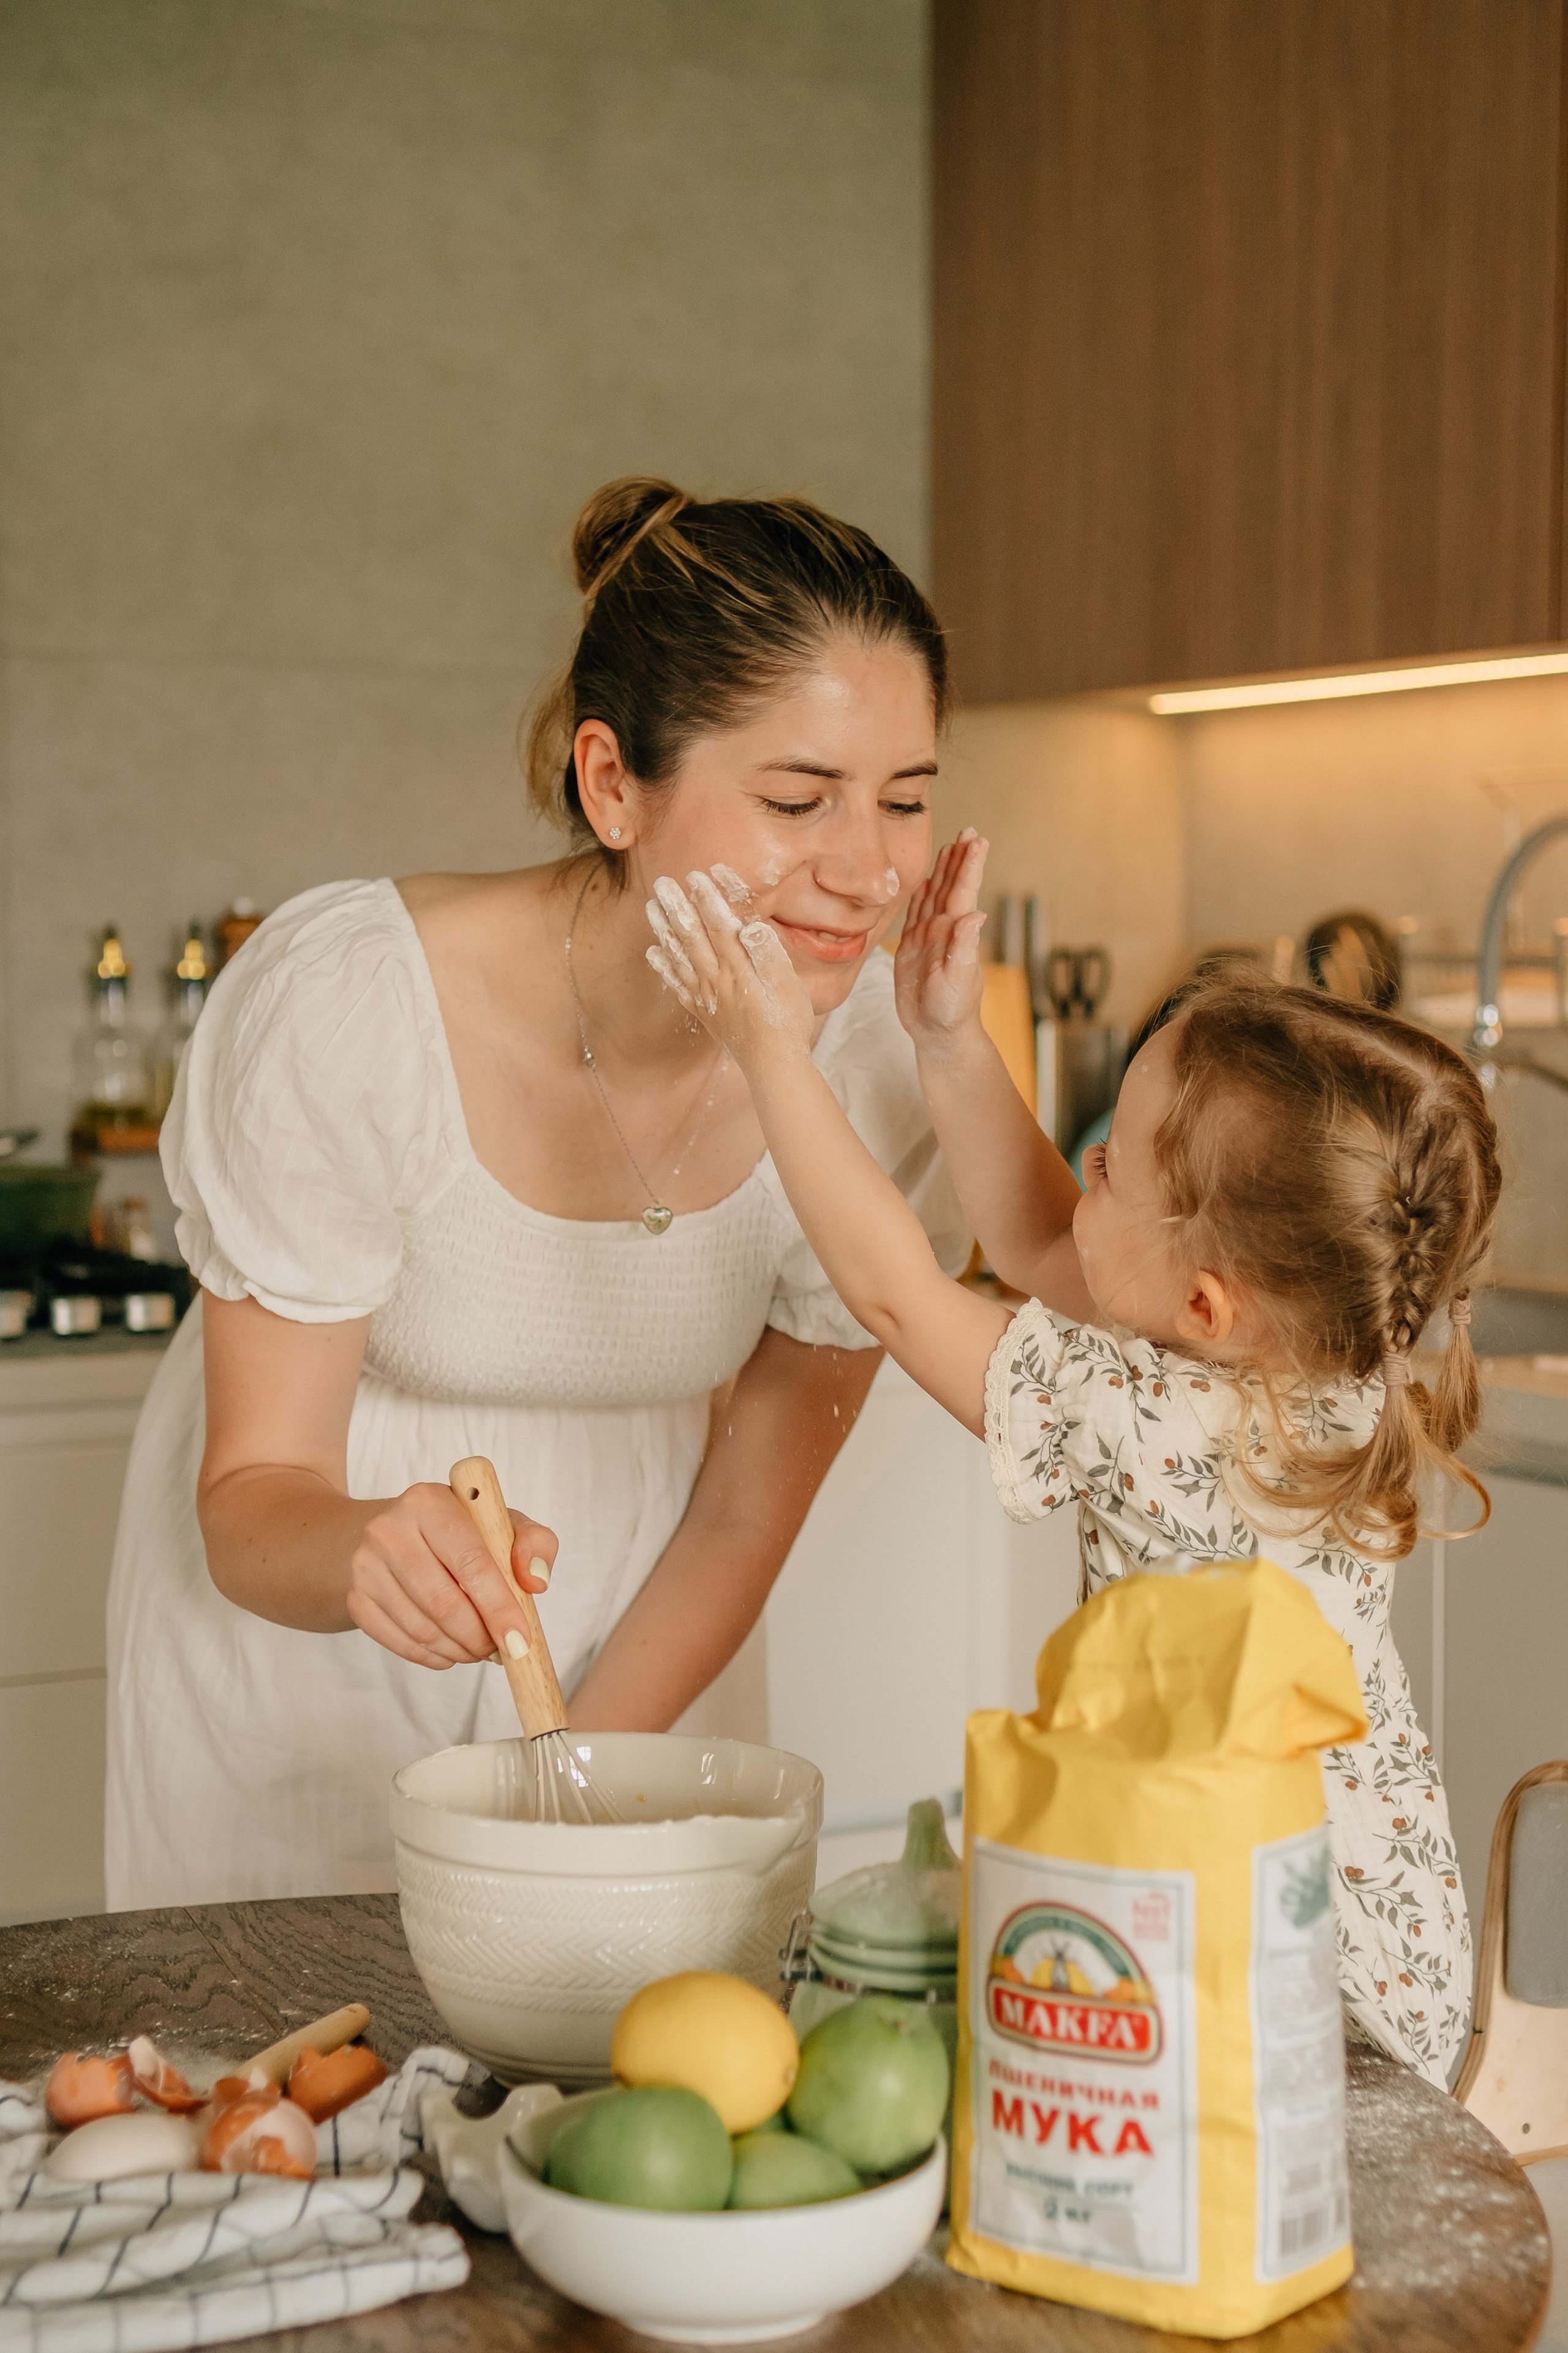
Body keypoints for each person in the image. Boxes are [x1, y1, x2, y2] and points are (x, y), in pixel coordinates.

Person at [104, 480, 968, 1910]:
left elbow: (746, 1512)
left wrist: (561, 1794)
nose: (867, 870)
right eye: (798, 799)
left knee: (604, 2090)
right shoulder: (353, 1008)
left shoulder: (875, 1061)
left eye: (907, 800)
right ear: (611, 781)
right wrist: (368, 1545)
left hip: (647, 1646)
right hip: (309, 1654)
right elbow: (254, 1502)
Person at [649, 833, 1500, 2087]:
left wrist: (768, 1049)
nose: (1077, 1172)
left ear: (1205, 1305)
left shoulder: (1146, 1414)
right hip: (1389, 1974)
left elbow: (894, 1292)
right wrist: (946, 1037)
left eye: (1105, 1161)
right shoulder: (1329, 1364)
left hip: (1283, 1988)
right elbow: (1053, 1240)